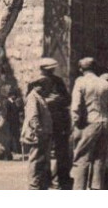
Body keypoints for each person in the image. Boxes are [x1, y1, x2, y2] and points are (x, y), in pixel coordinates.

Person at [70, 57, 108, 190]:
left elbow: (76, 106)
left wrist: (76, 123)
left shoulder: (80, 82)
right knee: (99, 158)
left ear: (80, 69)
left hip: (89, 124)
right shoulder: (106, 84)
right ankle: (96, 189)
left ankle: (79, 190)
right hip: (104, 123)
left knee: (81, 158)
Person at [37, 57, 73, 189]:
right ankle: (44, 181)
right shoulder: (36, 82)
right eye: (48, 69)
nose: (51, 71)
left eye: (52, 69)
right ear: (42, 69)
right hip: (43, 122)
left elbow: (68, 99)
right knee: (44, 153)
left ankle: (62, 180)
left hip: (59, 122)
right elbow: (30, 102)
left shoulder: (58, 81)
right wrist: (47, 101)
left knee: (61, 153)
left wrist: (59, 99)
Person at [21, 77, 54, 190]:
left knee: (42, 161)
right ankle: (33, 186)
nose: (44, 87)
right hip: (38, 135)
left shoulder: (39, 97)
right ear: (35, 85)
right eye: (41, 85)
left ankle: (40, 184)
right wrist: (40, 131)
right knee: (35, 161)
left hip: (43, 134)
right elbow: (33, 117)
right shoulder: (32, 97)